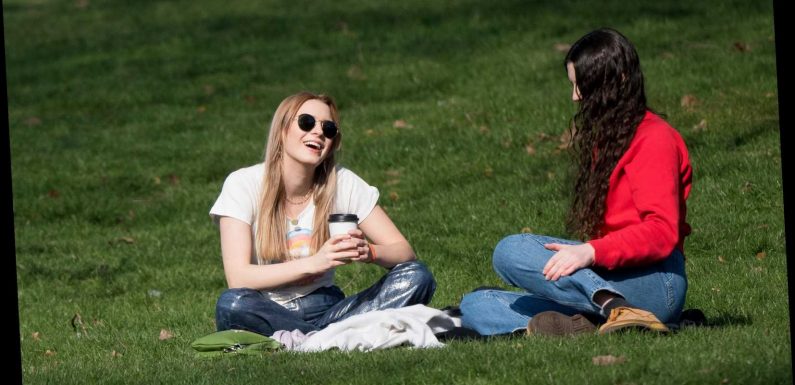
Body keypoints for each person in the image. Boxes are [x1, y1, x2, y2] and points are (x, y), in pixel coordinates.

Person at [459, 28, 692, 336]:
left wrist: (589, 252)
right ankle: (593, 324)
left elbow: (661, 232)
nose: (575, 97)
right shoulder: (609, 140)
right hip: (612, 274)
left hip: (658, 282)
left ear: (618, 80)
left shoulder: (654, 138)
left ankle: (613, 306)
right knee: (476, 304)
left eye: (583, 85)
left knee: (510, 250)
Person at [210, 92, 436, 336]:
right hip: (268, 309)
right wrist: (315, 263)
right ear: (282, 129)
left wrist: (369, 251)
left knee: (417, 276)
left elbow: (404, 252)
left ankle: (314, 338)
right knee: (232, 304)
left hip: (330, 307)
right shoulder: (244, 183)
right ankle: (332, 337)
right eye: (306, 122)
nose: (318, 132)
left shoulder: (342, 183)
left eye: (328, 128)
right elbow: (239, 278)